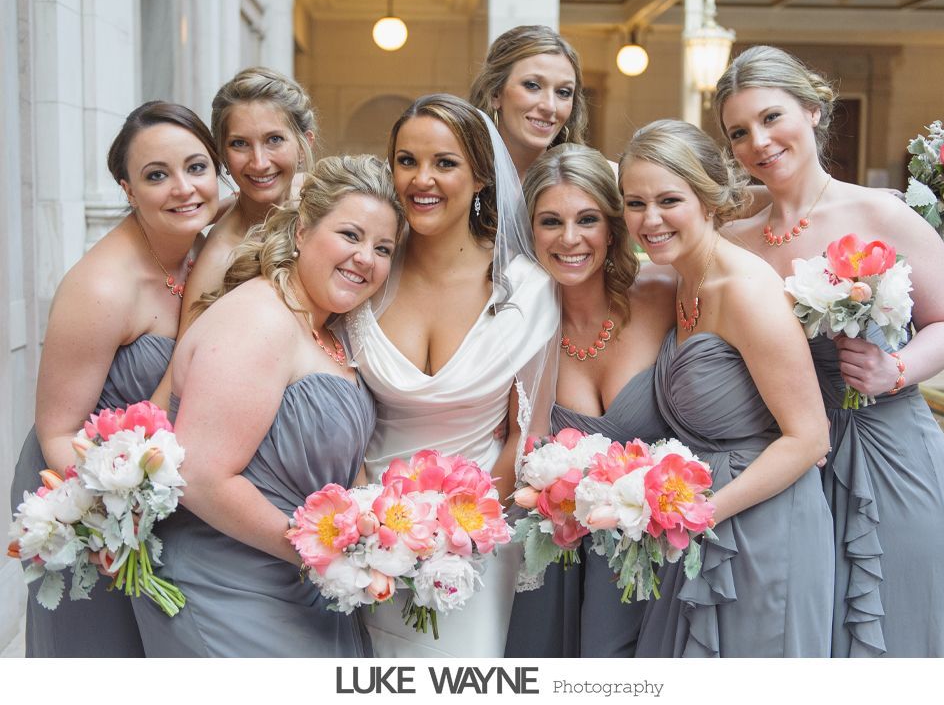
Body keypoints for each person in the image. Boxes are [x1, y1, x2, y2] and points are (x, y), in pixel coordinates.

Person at [715, 45, 944, 657]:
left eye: (772, 118)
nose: (759, 142)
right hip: (788, 467)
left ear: (812, 110)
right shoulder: (732, 238)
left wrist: (896, 368)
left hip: (892, 456)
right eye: (739, 132)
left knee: (898, 633)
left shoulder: (883, 213)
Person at [131, 155, 403, 656]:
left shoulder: (330, 330)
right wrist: (326, 553)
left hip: (302, 584)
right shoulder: (260, 317)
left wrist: (376, 531)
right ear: (302, 232)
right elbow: (202, 476)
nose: (366, 257)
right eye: (350, 235)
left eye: (382, 247)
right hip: (227, 588)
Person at [344, 93, 559, 657]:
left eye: (445, 163)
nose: (423, 179)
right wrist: (379, 529)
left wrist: (457, 540)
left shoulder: (527, 290)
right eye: (407, 160)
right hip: (368, 539)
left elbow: (526, 436)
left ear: (482, 177)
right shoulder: (367, 274)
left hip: (477, 542)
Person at [8, 101, 221, 656]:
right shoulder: (101, 287)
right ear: (127, 189)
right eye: (157, 175)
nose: (183, 188)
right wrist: (115, 519)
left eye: (196, 167)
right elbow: (56, 431)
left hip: (148, 488)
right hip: (84, 494)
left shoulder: (201, 251)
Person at [619, 119, 834, 657]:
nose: (650, 220)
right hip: (705, 516)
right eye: (634, 203)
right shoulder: (681, 279)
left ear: (709, 199)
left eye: (669, 200)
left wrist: (698, 514)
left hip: (764, 522)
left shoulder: (745, 289)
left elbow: (809, 439)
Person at [504, 143, 676, 657]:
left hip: (660, 554)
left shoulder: (665, 294)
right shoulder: (516, 329)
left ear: (613, 227)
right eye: (551, 221)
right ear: (529, 231)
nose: (570, 238)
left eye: (588, 219)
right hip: (561, 565)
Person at [176, 68, 316, 335]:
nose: (259, 163)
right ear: (222, 156)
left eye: (274, 140)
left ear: (303, 145)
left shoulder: (314, 192)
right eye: (240, 144)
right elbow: (184, 365)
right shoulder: (218, 258)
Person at [469, 25, 587, 181]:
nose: (550, 107)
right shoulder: (463, 176)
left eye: (563, 92)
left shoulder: (602, 182)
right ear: (495, 93)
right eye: (532, 85)